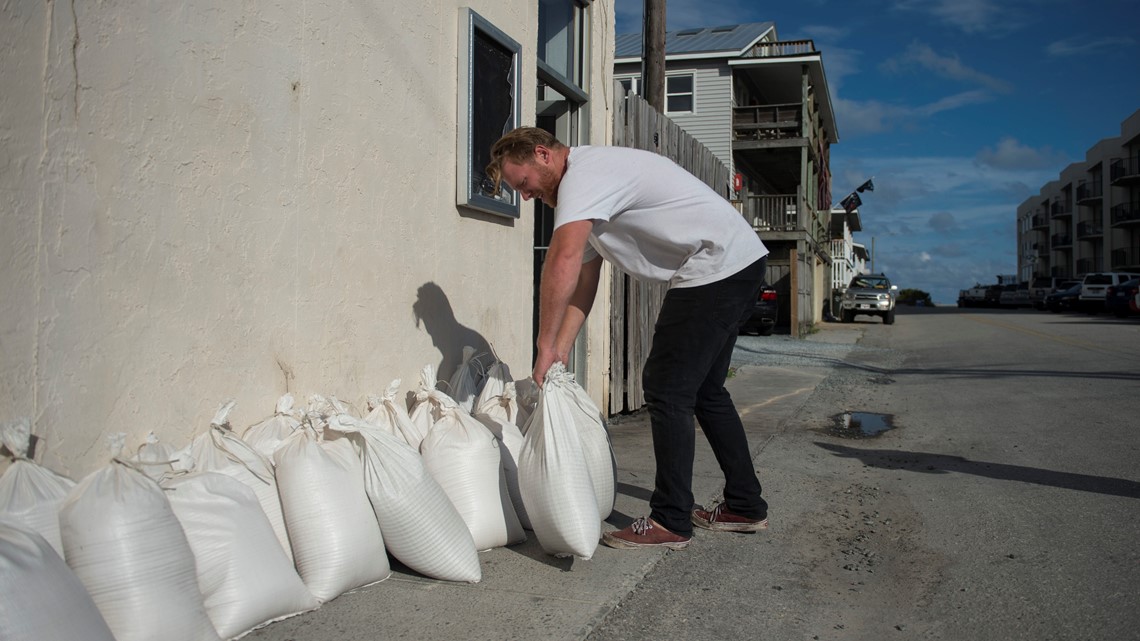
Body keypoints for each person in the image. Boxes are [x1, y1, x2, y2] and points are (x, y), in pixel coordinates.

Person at [486, 127, 769, 550]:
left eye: (523, 184)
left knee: (666, 387)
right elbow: (584, 275)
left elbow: (562, 258)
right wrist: (560, 349)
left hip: (714, 267)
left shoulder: (584, 177)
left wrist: (542, 344)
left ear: (543, 155)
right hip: (736, 263)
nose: (525, 197)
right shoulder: (588, 190)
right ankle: (744, 505)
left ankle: (671, 519)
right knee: (706, 392)